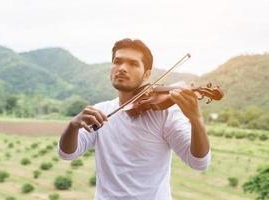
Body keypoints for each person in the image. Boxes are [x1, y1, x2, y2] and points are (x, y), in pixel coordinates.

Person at [57, 38, 211, 200]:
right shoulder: (100, 111)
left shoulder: (166, 113)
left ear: (147, 74)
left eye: (133, 63)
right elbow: (67, 153)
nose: (122, 68)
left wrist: (196, 120)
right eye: (117, 62)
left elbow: (199, 163)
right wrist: (72, 126)